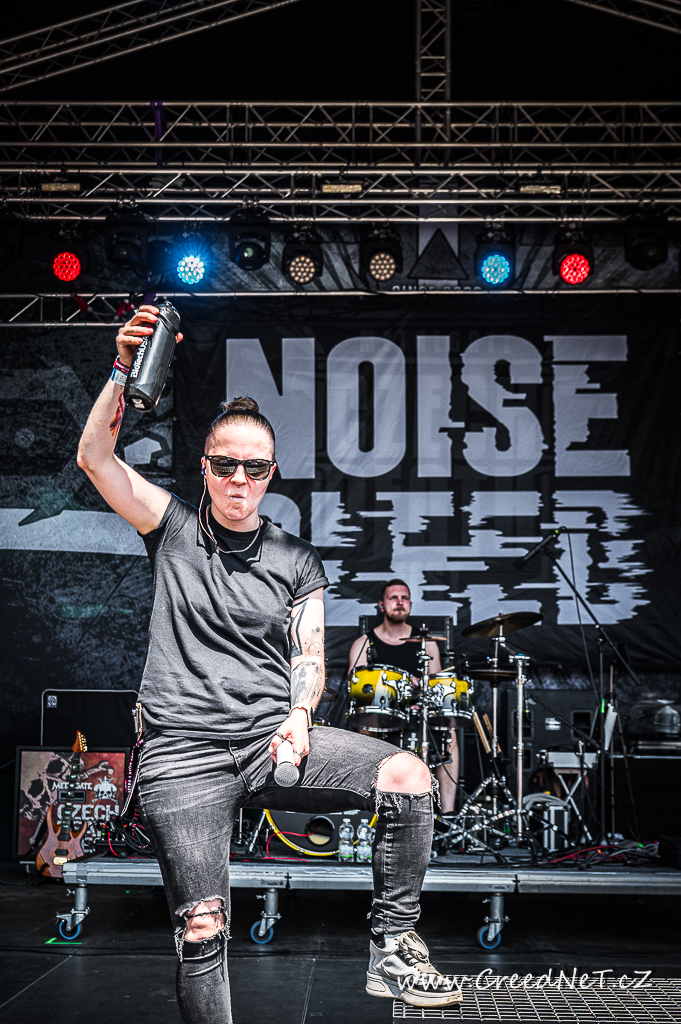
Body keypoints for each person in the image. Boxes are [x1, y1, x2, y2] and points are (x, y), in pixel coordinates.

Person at [76, 304, 461, 1024]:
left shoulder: (295, 558)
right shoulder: (172, 526)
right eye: (225, 466)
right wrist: (122, 369)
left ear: (270, 474)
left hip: (266, 740)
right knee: (202, 928)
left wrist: (299, 716)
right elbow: (96, 459)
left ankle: (393, 946)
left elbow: (309, 655)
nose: (238, 480)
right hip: (182, 751)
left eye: (253, 469)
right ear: (205, 468)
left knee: (409, 776)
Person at [348, 580, 460, 814]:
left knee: (448, 732)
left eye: (404, 598)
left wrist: (420, 692)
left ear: (410, 604)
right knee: (363, 727)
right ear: (381, 605)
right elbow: (356, 686)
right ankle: (366, 810)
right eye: (393, 597)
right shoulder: (364, 643)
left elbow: (436, 688)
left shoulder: (427, 644)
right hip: (380, 715)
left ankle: (447, 814)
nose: (400, 602)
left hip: (418, 713)